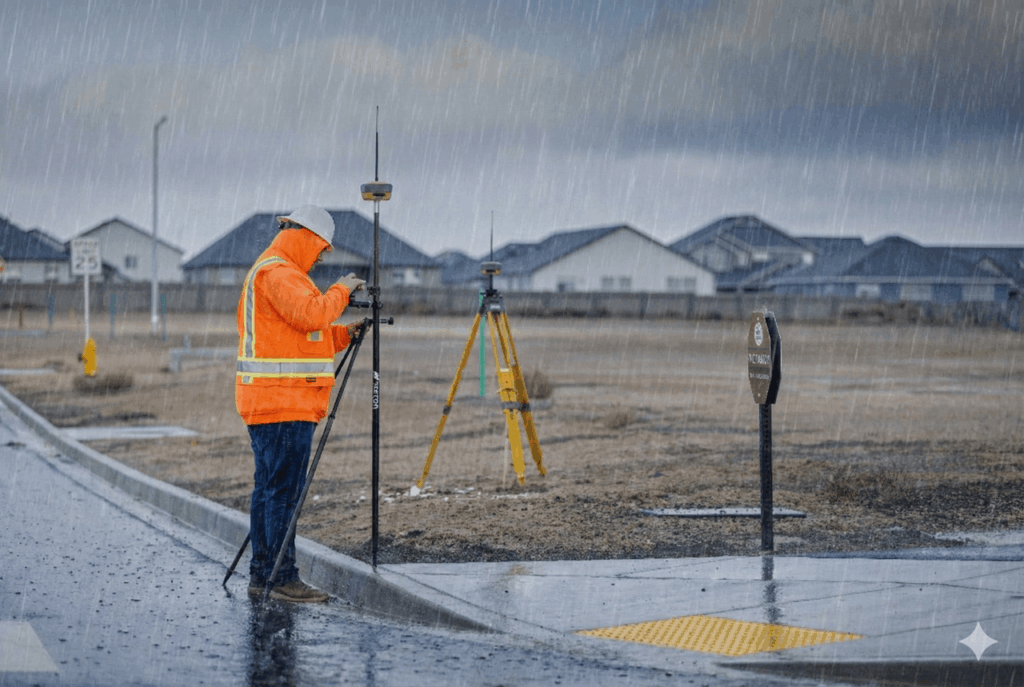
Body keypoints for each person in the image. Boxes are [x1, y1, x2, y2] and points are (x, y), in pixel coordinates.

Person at [235, 205, 365, 603]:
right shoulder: (279, 272)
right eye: (322, 248)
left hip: (277, 402)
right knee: (282, 494)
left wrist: (343, 335)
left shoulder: (285, 274)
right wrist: (342, 289)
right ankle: (280, 577)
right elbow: (311, 316)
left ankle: (264, 575)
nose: (323, 256)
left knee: (270, 491)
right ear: (306, 237)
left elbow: (302, 337)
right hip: (282, 404)